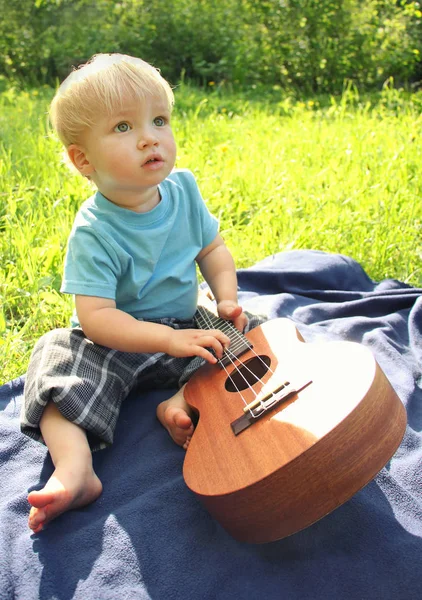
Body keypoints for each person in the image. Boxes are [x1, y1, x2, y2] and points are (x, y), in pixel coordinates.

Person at [21, 53, 263, 534]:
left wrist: (226, 297)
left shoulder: (183, 190)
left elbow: (211, 248)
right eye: (124, 127)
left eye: (159, 120)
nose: (150, 136)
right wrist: (164, 340)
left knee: (250, 334)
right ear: (82, 159)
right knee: (52, 359)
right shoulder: (94, 231)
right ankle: (75, 470)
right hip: (120, 343)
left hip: (186, 328)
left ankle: (180, 400)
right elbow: (96, 319)